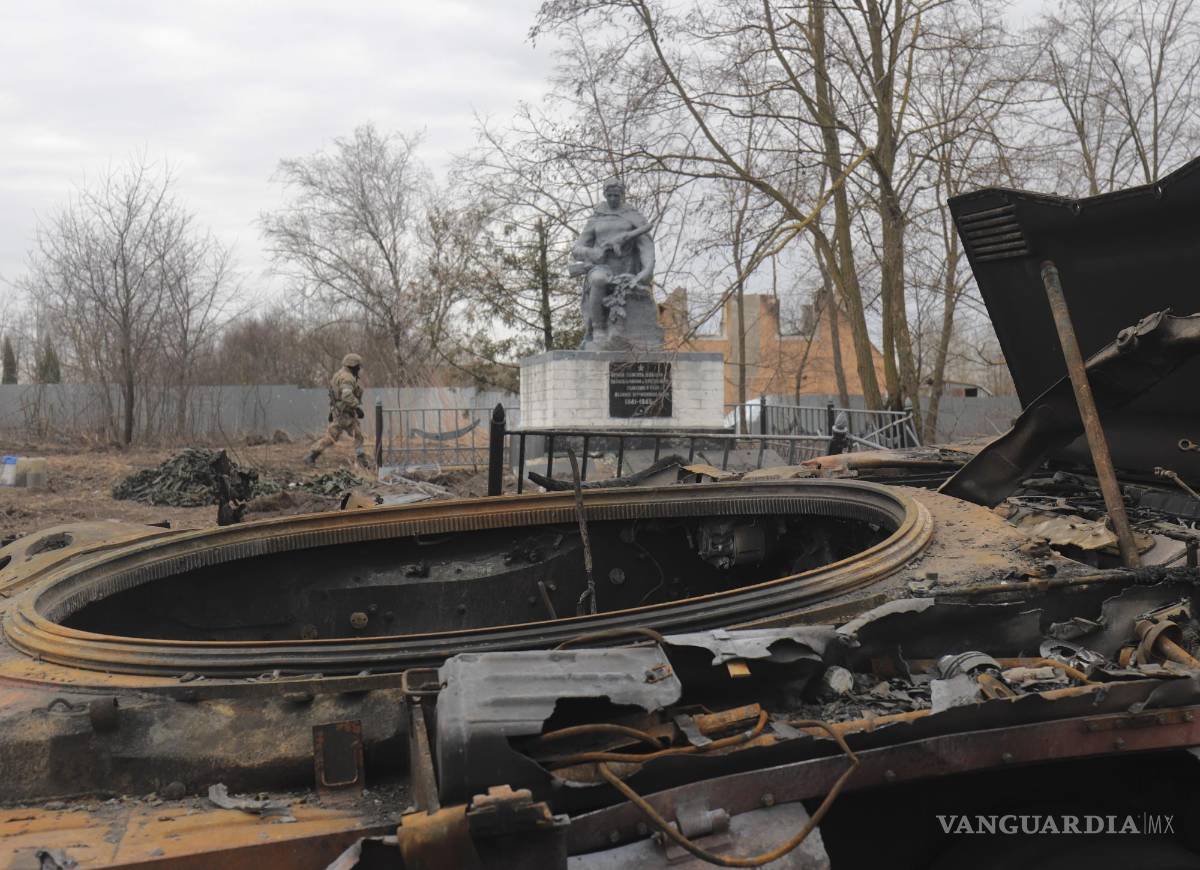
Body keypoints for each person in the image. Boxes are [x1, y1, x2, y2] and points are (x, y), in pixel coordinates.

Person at [570, 178, 655, 348]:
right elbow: (577, 249)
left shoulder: (633, 217)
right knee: (598, 279)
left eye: (616, 195)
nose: (613, 199)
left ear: (622, 195)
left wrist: (646, 271)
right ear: (605, 195)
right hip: (601, 268)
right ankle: (599, 328)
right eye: (609, 195)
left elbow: (646, 247)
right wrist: (592, 253)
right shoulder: (596, 218)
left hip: (627, 269)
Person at [305, 353, 370, 468]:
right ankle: (361, 462)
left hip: (339, 412)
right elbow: (346, 395)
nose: (359, 369)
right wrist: (357, 407)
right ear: (353, 366)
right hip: (345, 414)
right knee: (351, 436)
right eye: (358, 366)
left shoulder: (338, 375)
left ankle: (311, 456)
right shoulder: (348, 378)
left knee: (339, 437)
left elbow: (336, 394)